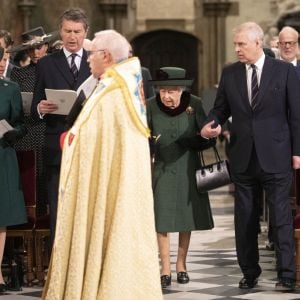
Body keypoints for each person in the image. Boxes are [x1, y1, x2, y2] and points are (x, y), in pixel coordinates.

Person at [42, 29, 162, 300]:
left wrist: (69, 140)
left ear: (106, 56)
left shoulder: (113, 91)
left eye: (92, 54)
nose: (87, 60)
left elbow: (92, 138)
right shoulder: (123, 85)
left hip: (110, 184)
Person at [201, 21, 300, 291]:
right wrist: (213, 123)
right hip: (243, 157)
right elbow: (220, 108)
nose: (237, 49)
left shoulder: (284, 72)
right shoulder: (230, 73)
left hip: (276, 155)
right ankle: (249, 272)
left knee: (280, 218)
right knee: (244, 219)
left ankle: (287, 274)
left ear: (258, 44)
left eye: (241, 44)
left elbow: (296, 115)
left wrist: (297, 152)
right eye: (235, 44)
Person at [147, 67, 215, 288]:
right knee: (162, 219)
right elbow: (143, 135)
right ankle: (165, 268)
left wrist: (198, 139)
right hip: (162, 169)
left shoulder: (193, 104)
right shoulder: (150, 105)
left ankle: (181, 264)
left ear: (182, 90)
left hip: (188, 168)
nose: (166, 96)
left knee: (187, 218)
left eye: (172, 91)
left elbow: (208, 136)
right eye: (163, 91)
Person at [31, 8, 91, 250]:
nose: (72, 36)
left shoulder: (94, 60)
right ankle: (59, 263)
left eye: (77, 31)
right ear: (60, 31)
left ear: (86, 32)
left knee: (88, 207)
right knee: (60, 207)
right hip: (57, 146)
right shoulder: (46, 64)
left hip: (89, 145)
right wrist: (41, 108)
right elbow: (35, 104)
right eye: (67, 31)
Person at [9, 26, 57, 216]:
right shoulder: (19, 74)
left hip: (49, 130)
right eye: (31, 49)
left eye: (39, 47)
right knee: (28, 184)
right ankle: (24, 235)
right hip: (28, 133)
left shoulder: (55, 70)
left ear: (46, 46)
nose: (36, 52)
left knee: (48, 183)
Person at [0, 46, 27, 294]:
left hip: (2, 154)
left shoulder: (10, 89)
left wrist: (12, 132)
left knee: (1, 215)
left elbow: (21, 124)